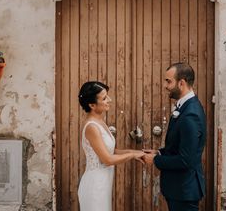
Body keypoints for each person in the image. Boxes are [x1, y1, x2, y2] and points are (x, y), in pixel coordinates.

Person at [141, 63, 206, 211]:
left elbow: (186, 159)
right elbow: (180, 147)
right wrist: (160, 153)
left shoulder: (191, 114)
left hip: (184, 189)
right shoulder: (185, 107)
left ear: (181, 83)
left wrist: (156, 160)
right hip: (179, 189)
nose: (165, 85)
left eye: (169, 81)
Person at [77, 81, 144, 211]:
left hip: (103, 183)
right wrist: (131, 155)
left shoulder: (100, 121)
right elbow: (107, 159)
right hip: (95, 186)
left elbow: (111, 151)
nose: (110, 100)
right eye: (104, 98)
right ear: (92, 105)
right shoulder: (92, 127)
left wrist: (136, 153)